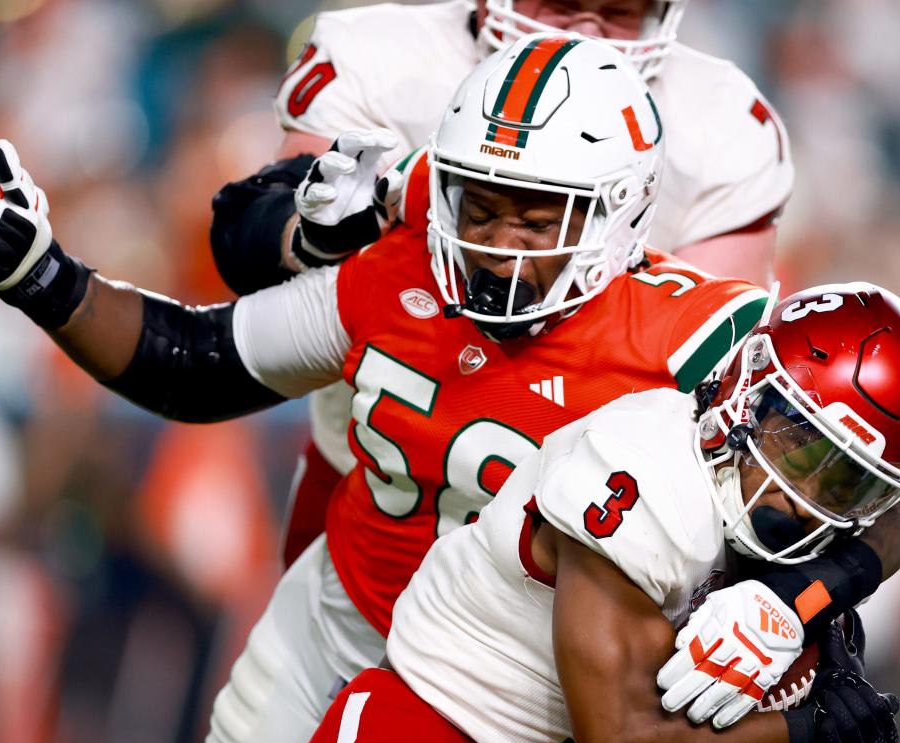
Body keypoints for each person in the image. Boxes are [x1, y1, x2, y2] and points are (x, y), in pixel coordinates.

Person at [0, 33, 900, 743]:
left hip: (560, 697)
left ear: (621, 210)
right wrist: (39, 275)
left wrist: (810, 611)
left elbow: (891, 481)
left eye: (538, 214)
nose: (498, 240)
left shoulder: (703, 333)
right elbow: (198, 365)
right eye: (481, 202)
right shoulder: (399, 274)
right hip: (345, 642)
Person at [282, 281, 900, 743]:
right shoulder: (651, 475)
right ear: (749, 392)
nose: (804, 497)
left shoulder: (791, 536)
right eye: (798, 446)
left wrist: (808, 599)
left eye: (845, 479)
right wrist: (809, 728)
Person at [211, 0, 794, 570]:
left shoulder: (726, 124)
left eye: (620, 11)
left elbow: (704, 387)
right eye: (560, 5)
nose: (590, 29)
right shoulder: (376, 54)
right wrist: (310, 232)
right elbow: (254, 239)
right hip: (372, 465)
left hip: (573, 533)